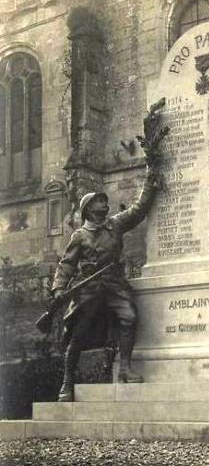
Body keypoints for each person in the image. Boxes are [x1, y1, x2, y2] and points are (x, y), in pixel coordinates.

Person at [51, 167, 158, 401]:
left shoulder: (116, 225)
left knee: (129, 317)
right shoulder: (79, 235)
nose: (105, 205)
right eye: (100, 202)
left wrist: (150, 178)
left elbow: (138, 210)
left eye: (105, 202)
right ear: (88, 208)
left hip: (114, 285)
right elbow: (67, 264)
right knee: (78, 335)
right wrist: (59, 288)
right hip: (88, 290)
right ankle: (67, 383)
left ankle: (125, 369)